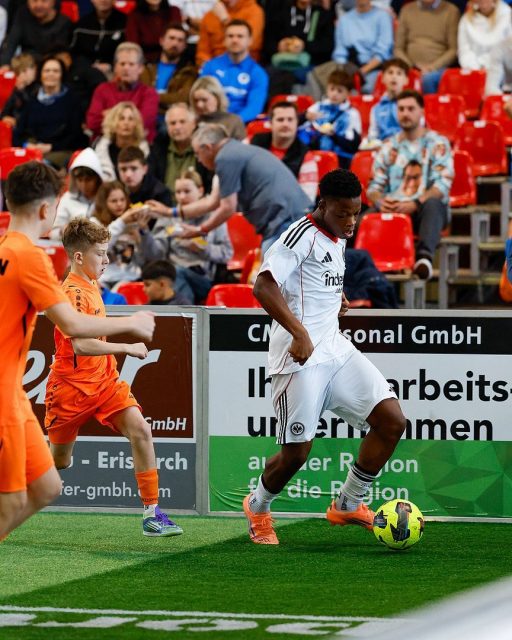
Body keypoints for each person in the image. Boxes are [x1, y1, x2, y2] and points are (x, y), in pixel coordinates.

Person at [242, 169, 407, 545]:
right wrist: (300, 332)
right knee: (296, 455)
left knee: (392, 421)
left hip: (335, 349)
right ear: (323, 205)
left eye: (356, 213)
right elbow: (263, 285)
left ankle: (349, 503)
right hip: (299, 359)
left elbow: (314, 278)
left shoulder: (337, 235)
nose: (351, 222)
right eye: (343, 213)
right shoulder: (298, 235)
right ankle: (258, 505)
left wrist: (336, 298)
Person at [0, 161, 155, 541]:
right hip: (8, 395)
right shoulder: (30, 255)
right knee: (12, 499)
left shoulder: (5, 248)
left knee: (47, 487)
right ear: (45, 209)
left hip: (15, 394)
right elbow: (73, 327)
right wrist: (132, 323)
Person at [44, 217, 182, 537]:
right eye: (100, 253)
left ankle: (152, 514)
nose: (107, 260)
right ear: (79, 257)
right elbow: (80, 345)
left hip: (105, 382)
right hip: (70, 389)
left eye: (107, 252)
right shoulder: (73, 293)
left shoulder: (92, 282)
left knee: (141, 430)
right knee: (59, 462)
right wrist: (126, 346)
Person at [176, 123, 313, 252]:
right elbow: (213, 202)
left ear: (207, 147)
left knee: (273, 269)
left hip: (285, 221)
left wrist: (201, 229)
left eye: (197, 153)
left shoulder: (225, 158)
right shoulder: (235, 150)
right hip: (293, 217)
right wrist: (172, 212)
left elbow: (227, 208)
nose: (198, 159)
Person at [366, 90, 454, 280]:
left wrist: (415, 203)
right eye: (401, 109)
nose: (405, 113)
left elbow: (442, 185)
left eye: (410, 109)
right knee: (361, 220)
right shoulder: (388, 146)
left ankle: (424, 259)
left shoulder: (438, 143)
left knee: (433, 204)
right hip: (393, 209)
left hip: (423, 210)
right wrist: (380, 201)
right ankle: (356, 267)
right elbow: (373, 186)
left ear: (422, 111)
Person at [153, 169, 233, 303]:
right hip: (172, 274)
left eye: (187, 191)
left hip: (203, 277)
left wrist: (203, 248)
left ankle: (183, 314)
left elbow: (227, 254)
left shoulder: (214, 218)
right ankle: (187, 313)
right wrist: (143, 234)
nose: (182, 197)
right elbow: (155, 254)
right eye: (178, 192)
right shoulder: (168, 217)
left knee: (177, 274)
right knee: (172, 276)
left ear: (200, 191)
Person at [13, 55, 87, 169]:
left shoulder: (72, 100)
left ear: (62, 75)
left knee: (39, 168)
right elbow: (18, 133)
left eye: (55, 71)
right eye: (47, 71)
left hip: (60, 151)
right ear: (41, 74)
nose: (51, 74)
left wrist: (51, 147)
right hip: (33, 149)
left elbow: (75, 136)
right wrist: (27, 145)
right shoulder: (31, 100)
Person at [91, 180, 163, 286]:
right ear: (104, 203)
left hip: (130, 278)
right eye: (114, 201)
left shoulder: (133, 222)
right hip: (103, 279)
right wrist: (122, 222)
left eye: (122, 199)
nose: (119, 204)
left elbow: (148, 258)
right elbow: (98, 251)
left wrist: (144, 231)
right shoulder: (94, 222)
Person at [86, 42, 159, 142]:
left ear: (140, 68)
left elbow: (142, 123)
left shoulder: (149, 93)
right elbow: (92, 123)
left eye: (131, 64)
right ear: (115, 67)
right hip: (105, 144)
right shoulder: (102, 89)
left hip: (138, 145)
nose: (126, 68)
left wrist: (110, 114)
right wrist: (132, 117)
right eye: (122, 64)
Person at [200, 19, 269, 124]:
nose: (235, 40)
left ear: (250, 40)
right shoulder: (210, 67)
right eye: (230, 36)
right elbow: (201, 99)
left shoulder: (258, 73)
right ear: (224, 40)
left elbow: (254, 108)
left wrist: (231, 123)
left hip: (241, 125)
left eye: (240, 36)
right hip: (211, 122)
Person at [251, 100, 319, 202]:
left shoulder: (306, 156)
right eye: (280, 119)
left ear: (297, 123)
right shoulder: (251, 143)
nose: (285, 124)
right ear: (270, 123)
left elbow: (307, 200)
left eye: (290, 120)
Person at [299, 68, 362, 169]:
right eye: (332, 89)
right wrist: (305, 116)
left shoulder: (352, 114)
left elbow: (353, 145)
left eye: (340, 91)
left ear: (348, 93)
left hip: (341, 160)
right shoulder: (317, 107)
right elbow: (297, 125)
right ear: (327, 89)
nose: (334, 94)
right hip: (313, 155)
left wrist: (334, 136)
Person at [394, 0, 459, 94]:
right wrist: (410, 67)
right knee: (392, 75)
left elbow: (453, 50)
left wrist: (432, 67)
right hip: (409, 66)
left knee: (428, 79)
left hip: (438, 68)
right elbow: (398, 48)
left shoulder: (451, 11)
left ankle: (429, 103)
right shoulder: (406, 10)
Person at [148, 103, 209, 199]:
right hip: (163, 204)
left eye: (182, 122)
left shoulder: (205, 149)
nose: (177, 127)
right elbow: (151, 182)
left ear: (193, 124)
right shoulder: (158, 148)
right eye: (173, 123)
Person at [331, 0, 393, 94]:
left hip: (374, 67)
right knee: (334, 86)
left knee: (367, 88)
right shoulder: (344, 20)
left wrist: (361, 72)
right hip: (349, 67)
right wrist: (344, 74)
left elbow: (383, 52)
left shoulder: (383, 16)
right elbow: (340, 53)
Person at [140, 23, 198, 116]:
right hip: (145, 114)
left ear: (184, 46)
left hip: (173, 117)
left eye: (180, 40)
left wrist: (153, 96)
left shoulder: (189, 71)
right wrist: (168, 98)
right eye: (171, 38)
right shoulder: (146, 68)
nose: (175, 43)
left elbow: (183, 98)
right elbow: (141, 95)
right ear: (161, 41)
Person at [458, 0, 512, 95]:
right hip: (474, 69)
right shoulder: (466, 20)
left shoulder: (506, 15)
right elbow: (464, 50)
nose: (483, 3)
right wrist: (476, 68)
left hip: (502, 74)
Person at [50, 148, 104, 240]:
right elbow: (53, 234)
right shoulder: (67, 199)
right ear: (74, 180)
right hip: (72, 246)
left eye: (88, 180)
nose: (84, 185)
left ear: (97, 179)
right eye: (80, 180)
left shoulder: (106, 198)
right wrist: (62, 231)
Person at [0, 0, 73, 67]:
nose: (38, 5)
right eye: (34, 1)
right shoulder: (22, 15)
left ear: (53, 2)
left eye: (44, 1)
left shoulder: (64, 23)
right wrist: (4, 65)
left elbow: (62, 55)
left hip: (51, 68)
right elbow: (10, 44)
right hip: (27, 65)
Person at [196, 0, 265, 66]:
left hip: (244, 66)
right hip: (213, 66)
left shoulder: (254, 11)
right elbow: (203, 51)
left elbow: (251, 45)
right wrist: (205, 66)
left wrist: (225, 20)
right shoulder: (211, 15)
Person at [93, 101, 150, 181]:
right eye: (121, 118)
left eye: (130, 119)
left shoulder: (146, 152)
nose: (126, 123)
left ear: (136, 124)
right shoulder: (103, 150)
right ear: (113, 122)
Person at [70, 0, 127, 77]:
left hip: (115, 73)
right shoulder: (81, 26)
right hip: (85, 72)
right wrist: (88, 67)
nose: (103, 0)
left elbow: (129, 53)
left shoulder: (125, 24)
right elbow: (73, 54)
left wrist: (111, 65)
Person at [366, 57, 409, 145]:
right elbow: (373, 136)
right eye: (390, 72)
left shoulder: (412, 106)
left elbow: (417, 132)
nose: (394, 77)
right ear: (382, 78)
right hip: (383, 148)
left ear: (406, 80)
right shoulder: (376, 109)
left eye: (399, 73)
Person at [190, 74, 245, 140]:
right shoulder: (192, 122)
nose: (199, 105)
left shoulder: (233, 121)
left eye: (204, 100)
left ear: (218, 98)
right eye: (196, 100)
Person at [118, 145, 173, 210]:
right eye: (123, 169)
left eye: (134, 168)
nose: (128, 174)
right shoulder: (115, 190)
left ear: (145, 169)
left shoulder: (160, 193)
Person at [0, 53, 37, 129]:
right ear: (25, 70)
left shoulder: (35, 89)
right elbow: (4, 113)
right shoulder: (8, 87)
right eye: (33, 69)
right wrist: (4, 118)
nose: (35, 72)